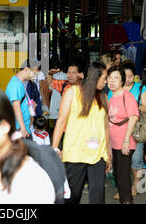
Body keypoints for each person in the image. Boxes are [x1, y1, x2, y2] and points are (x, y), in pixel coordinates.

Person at [52, 62, 112, 204]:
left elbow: (106, 127)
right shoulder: (72, 92)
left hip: (98, 156)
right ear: (95, 77)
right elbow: (61, 121)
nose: (106, 81)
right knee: (73, 195)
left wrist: (108, 153)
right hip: (75, 154)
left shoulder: (103, 97)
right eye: (104, 78)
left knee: (98, 197)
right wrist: (54, 148)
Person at [109, 61, 146, 199]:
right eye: (125, 76)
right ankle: (125, 190)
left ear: (134, 76)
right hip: (116, 135)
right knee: (122, 165)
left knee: (137, 159)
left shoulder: (140, 89)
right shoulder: (112, 91)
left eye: (130, 76)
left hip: (135, 130)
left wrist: (133, 106)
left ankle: (136, 185)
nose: (128, 79)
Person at [107, 65, 139, 204]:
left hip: (124, 143)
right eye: (109, 77)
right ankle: (125, 200)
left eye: (116, 78)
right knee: (117, 175)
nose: (112, 81)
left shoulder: (127, 96)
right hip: (113, 142)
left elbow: (133, 117)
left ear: (122, 81)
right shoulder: (110, 96)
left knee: (123, 177)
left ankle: (126, 201)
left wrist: (126, 140)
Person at [5, 60, 36, 139]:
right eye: (33, 73)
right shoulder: (15, 84)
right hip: (19, 130)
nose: (34, 76)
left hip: (23, 128)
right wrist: (23, 129)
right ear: (26, 69)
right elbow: (16, 107)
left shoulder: (19, 82)